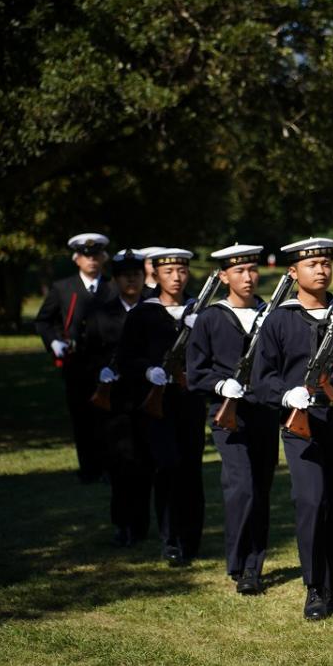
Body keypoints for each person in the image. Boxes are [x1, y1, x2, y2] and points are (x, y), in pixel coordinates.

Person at [252, 238, 333, 620]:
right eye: (311, 264)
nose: (321, 270)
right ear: (293, 272)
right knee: (312, 501)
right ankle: (315, 586)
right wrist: (286, 395)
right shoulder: (280, 318)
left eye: (326, 263)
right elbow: (261, 381)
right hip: (301, 426)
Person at [186, 244, 279, 595]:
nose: (248, 276)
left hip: (264, 412)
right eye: (239, 271)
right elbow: (196, 373)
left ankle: (254, 565)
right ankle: (239, 562)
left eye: (252, 270)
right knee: (241, 486)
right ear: (224, 276)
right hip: (228, 416)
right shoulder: (210, 317)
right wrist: (220, 383)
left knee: (262, 489)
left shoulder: (270, 313)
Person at [115, 248, 207, 566]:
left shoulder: (200, 309)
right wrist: (147, 370)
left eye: (182, 271)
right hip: (158, 403)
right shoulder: (143, 312)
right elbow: (125, 357)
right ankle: (170, 539)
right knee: (167, 466)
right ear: (156, 274)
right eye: (169, 272)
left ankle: (192, 538)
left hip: (190, 400)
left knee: (191, 470)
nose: (177, 277)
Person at [78, 248, 150, 546]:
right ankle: (122, 524)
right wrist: (100, 374)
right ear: (116, 280)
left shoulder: (152, 308)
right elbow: (86, 355)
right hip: (116, 401)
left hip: (147, 398)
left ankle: (142, 525)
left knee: (145, 464)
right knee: (120, 465)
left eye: (136, 275)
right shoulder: (101, 313)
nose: (131, 281)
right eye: (125, 276)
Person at [34, 232, 114, 483]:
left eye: (96, 256)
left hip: (108, 362)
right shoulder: (63, 288)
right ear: (76, 259)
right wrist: (54, 342)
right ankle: (89, 468)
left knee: (110, 417)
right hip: (77, 362)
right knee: (82, 416)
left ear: (103, 258)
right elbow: (44, 320)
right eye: (86, 256)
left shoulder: (112, 286)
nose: (92, 261)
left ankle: (110, 467)